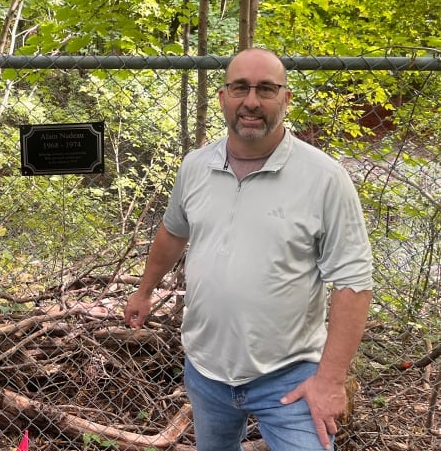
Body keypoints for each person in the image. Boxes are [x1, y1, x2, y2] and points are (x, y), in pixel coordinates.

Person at [124, 48, 373, 451]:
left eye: (266, 89)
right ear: (223, 96)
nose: (252, 101)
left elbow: (354, 283)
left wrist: (330, 380)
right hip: (206, 371)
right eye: (240, 88)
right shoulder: (195, 166)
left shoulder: (325, 179)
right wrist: (144, 290)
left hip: (290, 377)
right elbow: (173, 232)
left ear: (285, 99)